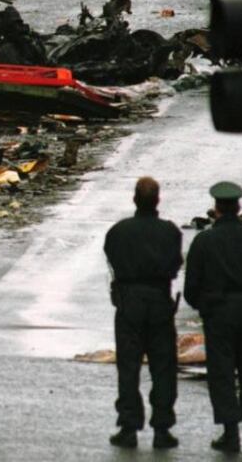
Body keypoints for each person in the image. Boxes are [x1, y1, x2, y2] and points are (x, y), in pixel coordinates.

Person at [103, 177, 183, 449]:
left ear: (134, 199)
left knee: (128, 367)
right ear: (157, 200)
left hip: (129, 303)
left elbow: (111, 258)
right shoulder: (170, 232)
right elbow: (175, 265)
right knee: (163, 367)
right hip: (159, 301)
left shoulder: (118, 232)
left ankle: (128, 426)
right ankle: (162, 428)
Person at [184, 181, 242, 453]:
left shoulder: (205, 241)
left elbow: (191, 286)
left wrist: (205, 306)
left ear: (216, 208)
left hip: (219, 312)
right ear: (238, 208)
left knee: (223, 372)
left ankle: (230, 433)